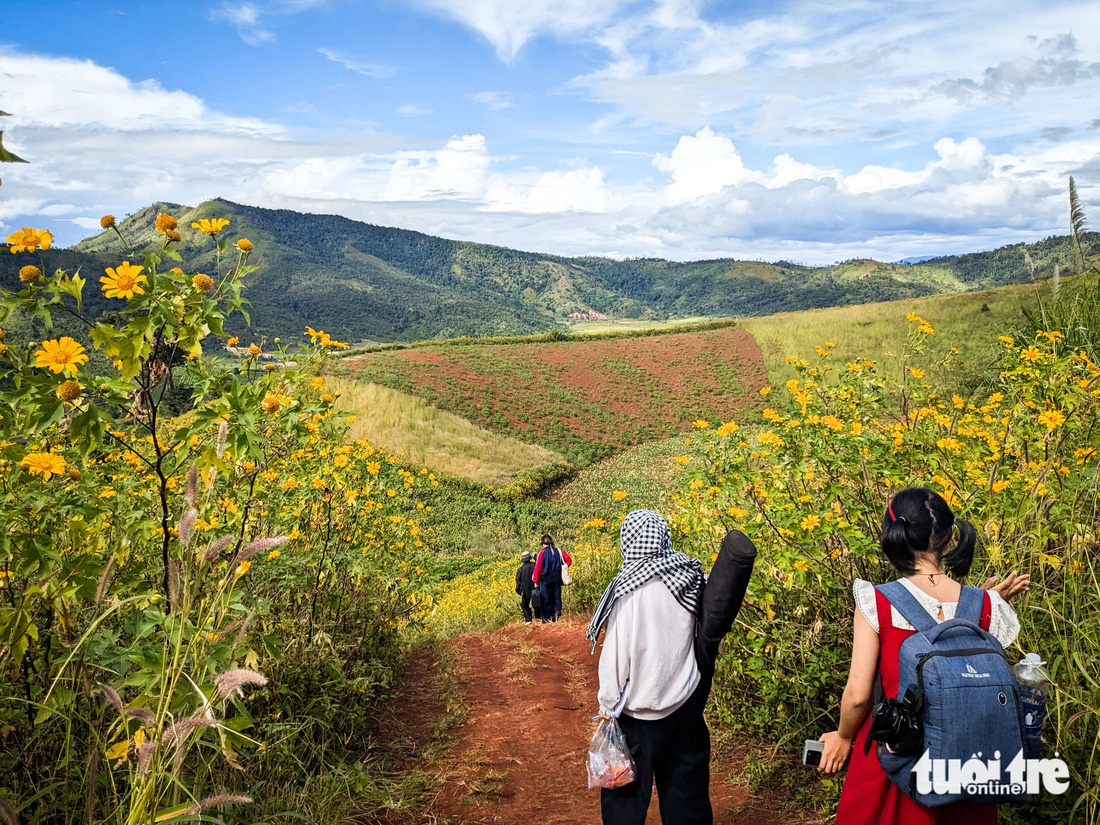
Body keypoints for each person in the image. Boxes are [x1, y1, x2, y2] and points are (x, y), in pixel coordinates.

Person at [819, 487, 1030, 825]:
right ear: (948, 537)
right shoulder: (987, 605)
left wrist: (843, 737)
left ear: (894, 537)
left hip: (899, 763)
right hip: (968, 768)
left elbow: (858, 696)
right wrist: (990, 600)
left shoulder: (877, 601)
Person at [586, 509, 756, 825]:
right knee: (686, 797)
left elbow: (615, 660)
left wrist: (607, 706)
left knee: (624, 797)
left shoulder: (627, 591)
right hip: (685, 706)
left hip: (637, 716)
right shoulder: (690, 576)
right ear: (663, 537)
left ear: (628, 542)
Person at [533, 533, 571, 622]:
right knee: (557, 598)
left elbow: (538, 568)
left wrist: (535, 580)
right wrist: (563, 567)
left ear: (543, 543)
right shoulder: (559, 551)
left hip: (545, 580)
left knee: (546, 599)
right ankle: (558, 616)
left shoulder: (541, 553)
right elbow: (569, 560)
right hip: (557, 578)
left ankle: (548, 618)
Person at [515, 550, 536, 625]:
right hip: (536, 588)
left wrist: (519, 591)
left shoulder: (520, 570)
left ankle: (528, 620)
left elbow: (518, 582)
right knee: (537, 604)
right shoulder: (535, 565)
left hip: (525, 591)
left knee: (524, 605)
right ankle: (539, 617)